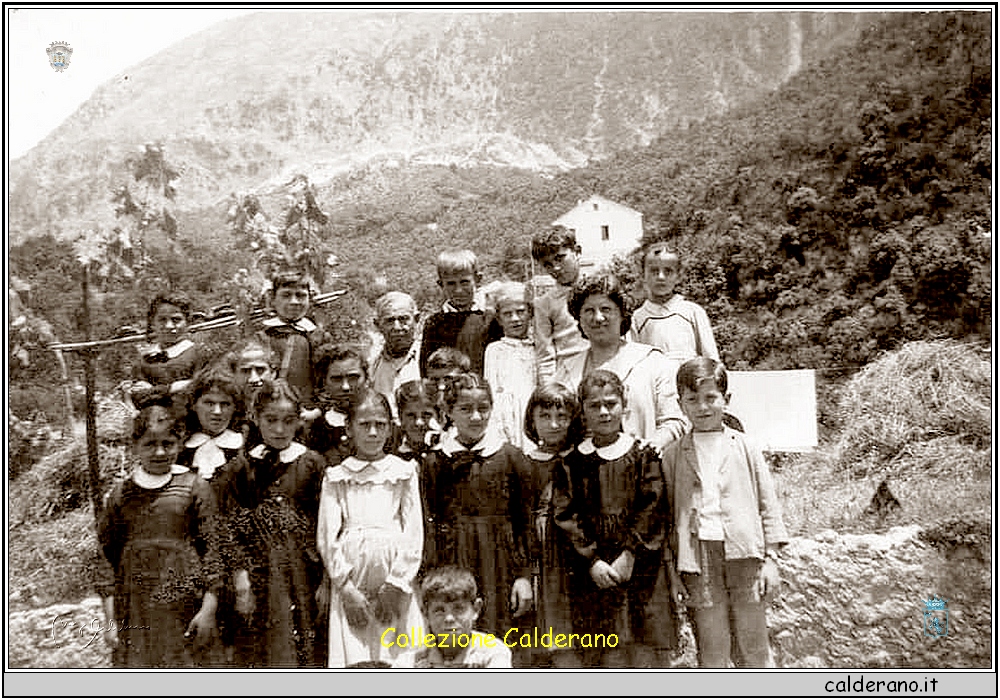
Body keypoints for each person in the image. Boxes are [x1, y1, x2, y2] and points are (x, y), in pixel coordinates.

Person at [662, 358, 788, 668]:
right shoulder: (673, 454)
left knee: (754, 645)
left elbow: (767, 503)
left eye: (710, 398)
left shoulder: (746, 446)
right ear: (681, 405)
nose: (702, 407)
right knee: (713, 648)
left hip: (745, 556)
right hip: (698, 559)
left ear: (726, 400)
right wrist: (672, 570)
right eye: (692, 400)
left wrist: (771, 559)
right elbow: (665, 518)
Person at [553, 370, 669, 668]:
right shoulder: (571, 463)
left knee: (644, 650)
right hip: (594, 574)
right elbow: (567, 516)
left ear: (624, 406)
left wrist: (630, 554)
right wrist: (591, 561)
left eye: (610, 403)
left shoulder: (644, 455)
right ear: (583, 410)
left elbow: (653, 507)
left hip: (639, 568)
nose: (603, 411)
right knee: (608, 653)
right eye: (594, 405)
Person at [97, 399, 221, 667]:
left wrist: (208, 609)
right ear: (134, 447)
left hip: (184, 604)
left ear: (180, 443)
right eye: (150, 444)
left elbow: (213, 551)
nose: (160, 452)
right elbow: (106, 560)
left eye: (168, 443)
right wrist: (110, 621)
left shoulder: (194, 487)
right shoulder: (120, 495)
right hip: (135, 609)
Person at [215, 379, 327, 667]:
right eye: (271, 420)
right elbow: (229, 529)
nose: (279, 429)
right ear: (256, 418)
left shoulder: (312, 464)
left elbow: (325, 525)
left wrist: (326, 581)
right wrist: (241, 583)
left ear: (299, 421)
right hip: (259, 575)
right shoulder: (240, 469)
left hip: (304, 573)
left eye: (288, 421)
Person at [420, 374, 533, 638]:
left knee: (501, 638)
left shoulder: (511, 457)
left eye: (483, 408)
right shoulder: (435, 463)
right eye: (465, 409)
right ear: (448, 412)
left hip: (501, 564)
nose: (475, 417)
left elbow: (524, 522)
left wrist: (524, 576)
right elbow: (430, 522)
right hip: (454, 562)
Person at [317, 388, 423, 667]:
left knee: (399, 656)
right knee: (355, 656)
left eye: (380, 425)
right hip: (352, 581)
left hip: (396, 578)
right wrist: (346, 589)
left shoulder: (404, 471)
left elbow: (413, 533)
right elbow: (328, 538)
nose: (373, 433)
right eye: (365, 425)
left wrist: (397, 583)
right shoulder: (337, 476)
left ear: (390, 428)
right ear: (349, 428)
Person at [554, 273, 686, 454]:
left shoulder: (653, 362)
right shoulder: (566, 370)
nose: (598, 318)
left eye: (606, 309)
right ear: (579, 318)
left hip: (642, 469)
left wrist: (651, 446)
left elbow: (676, 420)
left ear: (622, 315)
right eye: (589, 310)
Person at [516, 383, 584, 668]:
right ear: (532, 420)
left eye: (562, 416)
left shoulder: (580, 459)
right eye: (544, 416)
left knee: (570, 644)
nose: (553, 424)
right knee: (532, 643)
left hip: (572, 559)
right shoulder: (522, 461)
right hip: (537, 558)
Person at [391, 566, 512, 668]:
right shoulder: (412, 660)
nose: (449, 618)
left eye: (458, 609)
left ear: (476, 609)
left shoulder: (491, 653)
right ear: (425, 614)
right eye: (439, 610)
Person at [629, 242, 720, 374]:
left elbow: (711, 360)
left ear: (679, 276)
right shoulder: (637, 318)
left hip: (691, 389)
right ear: (643, 275)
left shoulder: (692, 312)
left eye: (668, 271)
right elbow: (635, 365)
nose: (661, 277)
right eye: (654, 271)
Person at [418, 249, 502, 377]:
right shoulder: (434, 324)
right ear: (441, 284)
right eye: (451, 284)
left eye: (464, 282)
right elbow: (426, 369)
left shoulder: (490, 320)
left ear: (477, 279)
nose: (458, 290)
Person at [258, 270, 331, 407]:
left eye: (301, 296)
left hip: (306, 411)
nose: (294, 302)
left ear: (310, 299)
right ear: (273, 299)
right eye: (286, 295)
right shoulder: (262, 335)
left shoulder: (319, 337)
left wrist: (317, 409)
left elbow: (326, 379)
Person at [531, 226, 589, 384]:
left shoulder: (602, 291)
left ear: (577, 251)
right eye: (548, 264)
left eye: (560, 258)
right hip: (569, 380)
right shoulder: (544, 304)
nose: (555, 268)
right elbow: (545, 356)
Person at [483, 281, 536, 450]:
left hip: (534, 409)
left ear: (530, 313)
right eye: (508, 314)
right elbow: (491, 388)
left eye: (520, 312)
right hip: (506, 414)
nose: (515, 319)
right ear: (499, 318)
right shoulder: (495, 350)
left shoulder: (538, 347)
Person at [131, 294, 207, 409]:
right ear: (152, 323)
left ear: (188, 322)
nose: (169, 326)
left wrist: (152, 391)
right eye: (162, 320)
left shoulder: (200, 354)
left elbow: (198, 389)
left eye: (176, 320)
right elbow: (139, 398)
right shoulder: (144, 360)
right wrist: (173, 388)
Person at [304, 344, 369, 465]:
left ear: (366, 378)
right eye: (337, 379)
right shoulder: (315, 429)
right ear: (324, 382)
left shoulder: (383, 421)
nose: (345, 387)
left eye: (353, 377)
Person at [178, 367, 245, 481]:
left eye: (225, 404)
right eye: (209, 403)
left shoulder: (244, 446)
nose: (217, 411)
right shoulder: (180, 448)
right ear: (194, 404)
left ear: (235, 408)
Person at [369, 291, 421, 419]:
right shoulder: (371, 366)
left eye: (403, 319)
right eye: (389, 321)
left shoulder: (428, 359)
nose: (397, 327)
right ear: (378, 325)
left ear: (416, 319)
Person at [393, 379, 443, 462]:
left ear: (440, 417)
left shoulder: (450, 456)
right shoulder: (394, 460)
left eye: (426, 415)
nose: (419, 422)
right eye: (410, 415)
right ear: (400, 418)